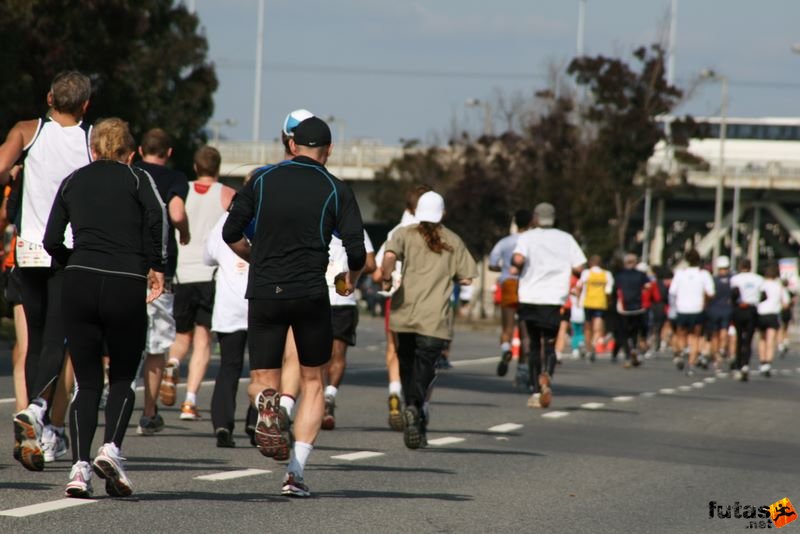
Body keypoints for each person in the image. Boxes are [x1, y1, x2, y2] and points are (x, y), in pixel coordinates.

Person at [223, 115, 366, 497]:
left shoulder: (263, 180)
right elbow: (356, 250)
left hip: (266, 290)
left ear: (291, 146)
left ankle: (267, 404)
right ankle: (295, 473)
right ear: (329, 150)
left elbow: (229, 232)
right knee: (312, 381)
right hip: (310, 295)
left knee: (263, 378)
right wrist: (351, 279)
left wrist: (255, 258)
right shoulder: (336, 189)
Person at [42, 117, 166, 498]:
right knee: (124, 377)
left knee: (87, 380)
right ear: (129, 152)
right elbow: (157, 220)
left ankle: (79, 469)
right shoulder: (138, 179)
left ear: (93, 149)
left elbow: (50, 239)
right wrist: (155, 266)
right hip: (125, 282)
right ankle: (111, 448)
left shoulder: (74, 180)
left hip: (79, 280)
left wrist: (72, 260)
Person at [0, 71, 92, 470]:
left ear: (49, 96)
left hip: (29, 250)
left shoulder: (28, 130)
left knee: (34, 339)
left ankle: (35, 420)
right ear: (86, 106)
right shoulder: (92, 139)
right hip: (69, 251)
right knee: (59, 339)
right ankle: (40, 415)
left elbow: (1, 167)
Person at [381, 191, 477, 449]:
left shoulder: (403, 234)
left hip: (404, 313)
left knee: (406, 363)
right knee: (427, 367)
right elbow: (467, 277)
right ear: (443, 213)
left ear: (417, 211)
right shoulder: (453, 240)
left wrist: (387, 278)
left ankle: (411, 406)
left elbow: (389, 257)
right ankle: (415, 406)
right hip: (435, 319)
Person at [162, 146, 234, 421]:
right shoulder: (226, 194)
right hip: (210, 274)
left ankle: (173, 362)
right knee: (203, 339)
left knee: (182, 336)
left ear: (195, 167)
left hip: (182, 273)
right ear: (217, 167)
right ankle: (190, 401)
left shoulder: (182, 190)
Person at [134, 128, 190, 435]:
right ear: (168, 152)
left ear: (140, 150)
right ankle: (149, 413)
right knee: (155, 346)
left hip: (126, 263)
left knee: (122, 336)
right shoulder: (174, 178)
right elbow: (177, 212)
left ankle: (113, 393)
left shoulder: (129, 171)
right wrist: (184, 231)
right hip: (159, 270)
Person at [511, 203, 586, 409]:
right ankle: (547, 375)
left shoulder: (526, 237)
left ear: (535, 218)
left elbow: (517, 260)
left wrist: (517, 266)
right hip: (554, 298)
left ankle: (536, 389)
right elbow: (580, 266)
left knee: (534, 345)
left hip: (530, 296)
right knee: (549, 344)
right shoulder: (566, 238)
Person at [372, 184, 432, 431]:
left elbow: (378, 270)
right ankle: (422, 408)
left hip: (397, 298)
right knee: (427, 356)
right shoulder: (437, 235)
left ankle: (395, 392)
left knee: (394, 350)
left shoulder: (397, 231)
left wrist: (386, 278)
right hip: (429, 302)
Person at [204, 209, 250, 447]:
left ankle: (223, 423)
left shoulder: (224, 220)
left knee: (229, 366)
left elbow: (208, 257)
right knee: (267, 366)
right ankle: (256, 421)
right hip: (261, 302)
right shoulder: (267, 214)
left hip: (230, 305)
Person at [322, 230, 376, 430]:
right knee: (338, 355)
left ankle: (319, 401)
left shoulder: (315, 218)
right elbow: (369, 264)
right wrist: (351, 272)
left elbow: (372, 264)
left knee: (317, 356)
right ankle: (329, 396)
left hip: (318, 298)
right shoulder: (354, 227)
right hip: (343, 297)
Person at [488, 209, 531, 376]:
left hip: (508, 283)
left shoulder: (504, 242)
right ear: (530, 223)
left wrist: (504, 268)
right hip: (527, 285)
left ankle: (506, 349)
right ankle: (523, 369)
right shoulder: (531, 241)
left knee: (507, 326)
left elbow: (492, 263)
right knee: (525, 331)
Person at [669, 249, 715, 376]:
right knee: (695, 336)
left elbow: (672, 292)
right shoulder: (704, 274)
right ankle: (691, 364)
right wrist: (705, 301)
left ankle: (682, 352)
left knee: (681, 334)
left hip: (682, 308)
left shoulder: (680, 274)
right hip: (697, 309)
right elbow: (711, 293)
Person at [614, 253, 652, 368]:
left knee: (625, 332)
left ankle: (627, 354)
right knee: (635, 331)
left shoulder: (619, 275)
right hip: (637, 307)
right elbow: (648, 286)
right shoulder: (641, 275)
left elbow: (614, 289)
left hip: (623, 308)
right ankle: (634, 348)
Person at [730, 259, 764, 382]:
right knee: (749, 339)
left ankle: (738, 365)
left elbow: (733, 294)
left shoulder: (735, 279)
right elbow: (764, 295)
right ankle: (745, 365)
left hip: (739, 309)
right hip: (752, 310)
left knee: (739, 338)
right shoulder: (758, 279)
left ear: (740, 267)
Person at [578, 255, 614, 361]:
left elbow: (579, 286)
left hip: (587, 302)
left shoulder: (586, 273)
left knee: (587, 327)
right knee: (597, 327)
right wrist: (609, 301)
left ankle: (589, 348)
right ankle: (593, 343)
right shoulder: (607, 274)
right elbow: (608, 291)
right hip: (600, 303)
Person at [756, 263, 787, 378]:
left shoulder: (761, 284)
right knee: (771, 340)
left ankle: (762, 361)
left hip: (761, 314)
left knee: (762, 339)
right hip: (773, 314)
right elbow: (786, 303)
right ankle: (768, 363)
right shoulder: (778, 286)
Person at [704, 256, 733, 370]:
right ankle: (722, 349)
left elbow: (709, 295)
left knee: (714, 334)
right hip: (727, 309)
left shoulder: (713, 280)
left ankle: (716, 356)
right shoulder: (732, 280)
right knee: (724, 331)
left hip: (714, 309)